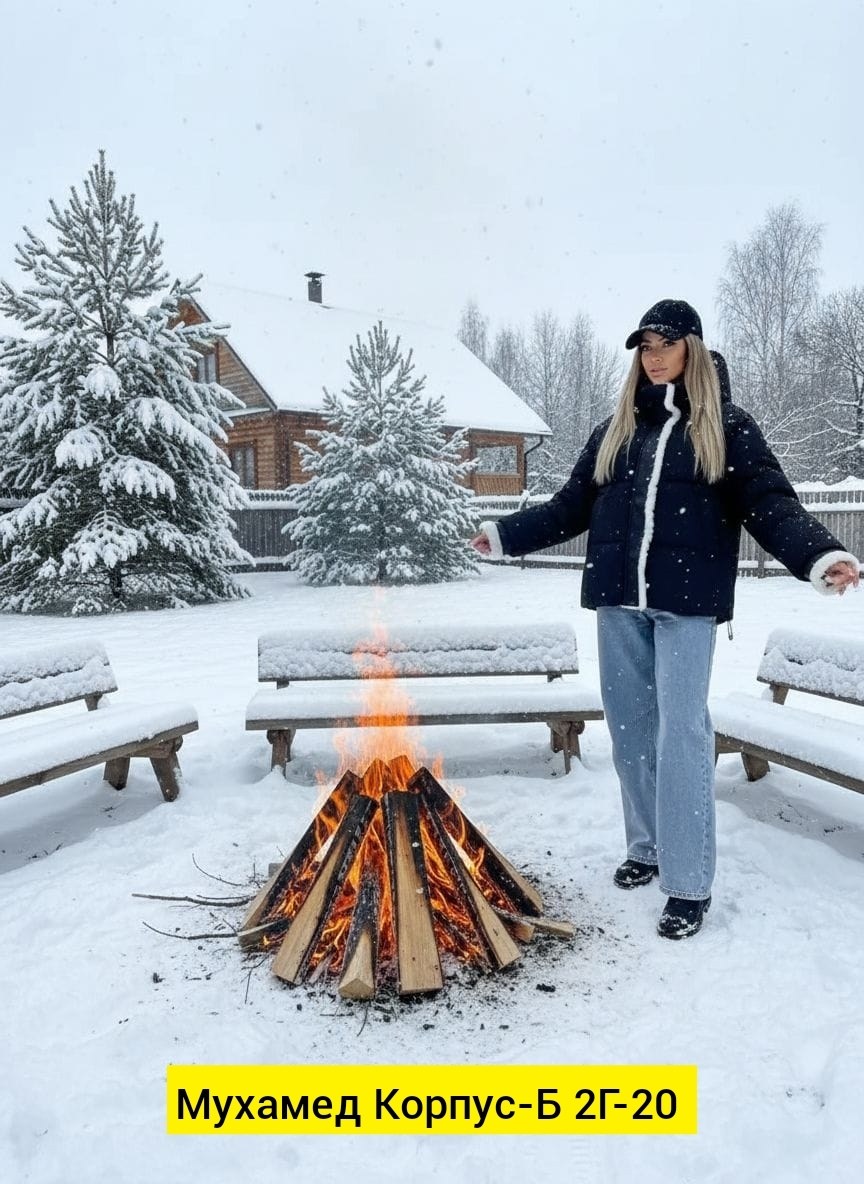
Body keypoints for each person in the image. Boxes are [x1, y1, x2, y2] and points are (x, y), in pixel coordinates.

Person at [470, 298, 860, 940]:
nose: (652, 358)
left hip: (686, 608)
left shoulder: (727, 427)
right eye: (645, 347)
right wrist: (506, 535)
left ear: (693, 351)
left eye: (665, 345)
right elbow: (572, 506)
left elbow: (769, 504)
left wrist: (819, 555)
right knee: (630, 733)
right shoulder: (616, 429)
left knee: (681, 737)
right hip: (619, 603)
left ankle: (688, 882)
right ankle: (646, 848)